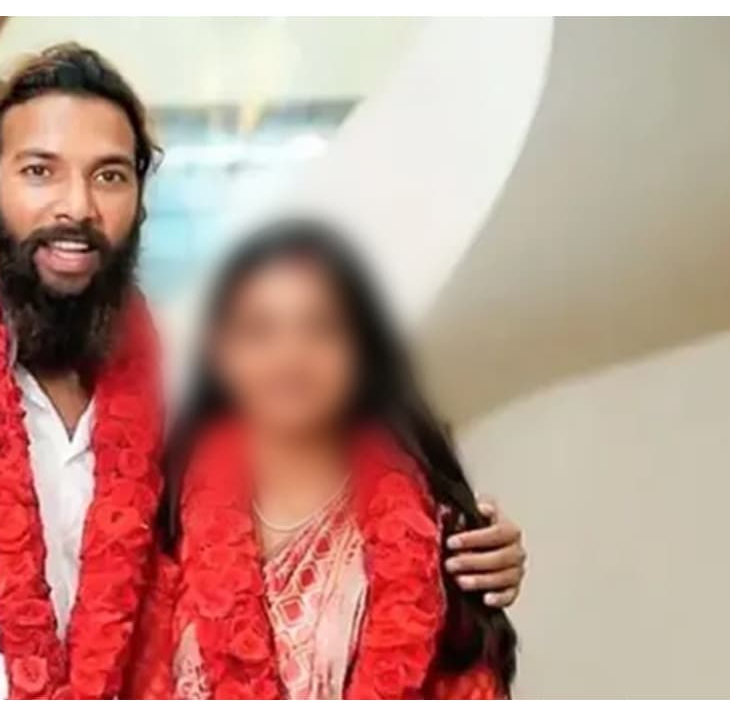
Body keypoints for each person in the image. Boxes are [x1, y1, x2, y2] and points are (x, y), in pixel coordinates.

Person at [0, 43, 525, 699]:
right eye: (40, 171)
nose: (76, 206)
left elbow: (312, 523)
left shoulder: (187, 390)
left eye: (109, 175)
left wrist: (463, 548)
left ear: (139, 200)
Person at [127, 219, 517, 699]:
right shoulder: (161, 514)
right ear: (220, 353)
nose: (290, 357)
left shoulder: (436, 533)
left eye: (322, 329)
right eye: (259, 331)